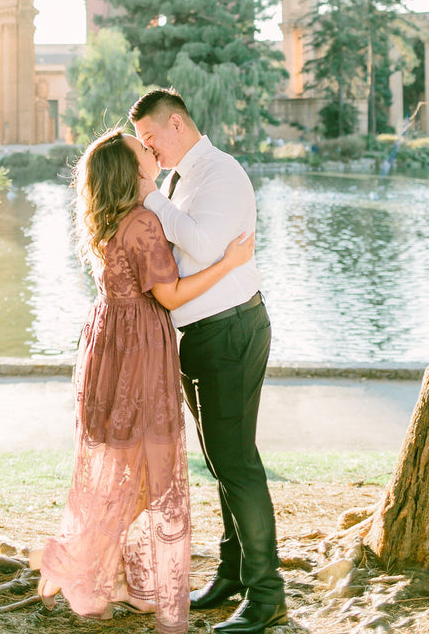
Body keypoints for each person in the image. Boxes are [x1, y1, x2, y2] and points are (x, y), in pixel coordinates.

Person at [35, 129, 255, 634]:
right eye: (140, 150)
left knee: (122, 463)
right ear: (128, 171)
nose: (150, 150)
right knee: (145, 470)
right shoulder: (143, 223)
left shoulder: (109, 219)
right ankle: (75, 561)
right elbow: (172, 296)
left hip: (110, 341)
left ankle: (107, 573)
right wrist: (230, 262)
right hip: (137, 349)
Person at [131, 90, 287, 634]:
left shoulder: (220, 173)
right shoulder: (180, 179)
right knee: (222, 462)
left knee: (237, 463)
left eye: (152, 140)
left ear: (177, 123)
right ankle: (233, 575)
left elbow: (198, 244)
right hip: (202, 333)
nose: (150, 152)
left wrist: (149, 198)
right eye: (144, 147)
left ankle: (268, 594)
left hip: (231, 330)